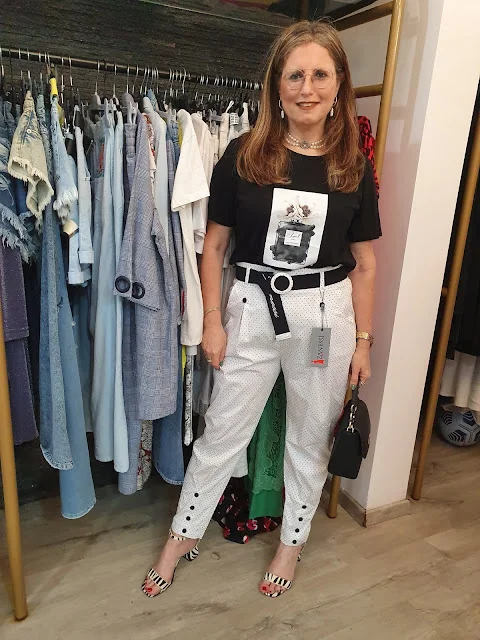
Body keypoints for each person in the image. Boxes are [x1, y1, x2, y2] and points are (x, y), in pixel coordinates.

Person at [142, 19, 380, 599]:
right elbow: (214, 247)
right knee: (222, 430)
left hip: (324, 314)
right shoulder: (244, 154)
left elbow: (366, 263)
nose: (307, 88)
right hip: (251, 305)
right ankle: (181, 535)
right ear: (276, 85)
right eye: (294, 75)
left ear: (339, 84)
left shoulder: (352, 165)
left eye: (319, 75)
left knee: (309, 436)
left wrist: (364, 342)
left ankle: (292, 543)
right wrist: (213, 320)